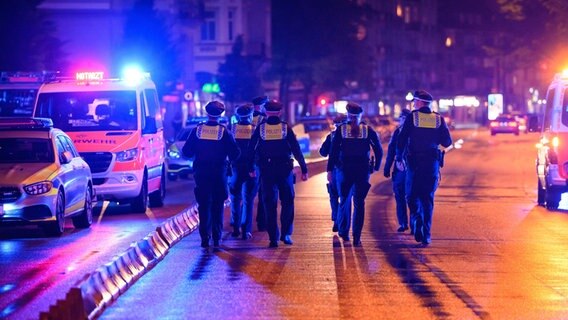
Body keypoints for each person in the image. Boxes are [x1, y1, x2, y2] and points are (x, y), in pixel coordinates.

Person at [248, 100, 308, 248]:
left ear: (266, 112)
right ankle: (286, 234)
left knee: (269, 203)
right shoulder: (285, 128)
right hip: (284, 169)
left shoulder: (261, 129)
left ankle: (273, 238)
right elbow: (296, 149)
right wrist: (304, 168)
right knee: (287, 201)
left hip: (266, 170)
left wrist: (250, 167)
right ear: (280, 112)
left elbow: (251, 149)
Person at [395, 90, 452, 246]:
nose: (414, 104)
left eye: (415, 101)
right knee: (427, 199)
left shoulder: (412, 118)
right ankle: (426, 235)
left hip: (414, 164)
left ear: (419, 103)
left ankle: (417, 218)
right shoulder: (439, 119)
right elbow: (447, 142)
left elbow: (401, 139)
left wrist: (399, 157)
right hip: (431, 164)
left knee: (411, 196)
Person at [182, 101, 240, 248]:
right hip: (219, 173)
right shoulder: (224, 131)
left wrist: (198, 154)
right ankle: (216, 237)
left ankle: (204, 238)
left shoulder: (197, 130)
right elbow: (235, 153)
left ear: (207, 113)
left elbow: (186, 152)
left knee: (204, 205)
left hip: (201, 172)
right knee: (218, 205)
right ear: (220, 115)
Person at [327, 102, 383, 246]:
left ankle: (344, 232)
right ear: (359, 116)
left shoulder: (341, 130)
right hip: (362, 171)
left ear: (348, 115)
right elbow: (379, 150)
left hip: (345, 170)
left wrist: (329, 170)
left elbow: (333, 151)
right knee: (359, 203)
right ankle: (357, 237)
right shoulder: (368, 130)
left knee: (344, 200)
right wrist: (376, 166)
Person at [228, 103, 260, 240]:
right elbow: (255, 151)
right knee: (248, 200)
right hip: (250, 169)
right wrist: (253, 167)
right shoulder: (254, 130)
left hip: (235, 168)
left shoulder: (232, 129)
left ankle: (235, 228)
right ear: (250, 115)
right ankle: (246, 230)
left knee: (235, 199)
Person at [383, 109, 412, 233]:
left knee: (411, 197)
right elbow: (391, 151)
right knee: (400, 196)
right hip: (400, 169)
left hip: (410, 168)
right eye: (402, 119)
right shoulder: (397, 132)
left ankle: (413, 224)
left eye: (404, 119)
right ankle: (404, 223)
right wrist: (387, 167)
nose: (402, 122)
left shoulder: (414, 133)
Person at [319, 115, 347, 232]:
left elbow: (323, 152)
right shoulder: (350, 136)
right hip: (347, 170)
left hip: (335, 170)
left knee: (334, 195)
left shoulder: (331, 136)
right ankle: (341, 221)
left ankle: (336, 219)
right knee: (345, 197)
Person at [251, 95, 269, 231]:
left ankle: (241, 223)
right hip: (260, 159)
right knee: (263, 192)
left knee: (246, 194)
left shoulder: (243, 117)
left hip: (243, 159)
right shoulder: (264, 120)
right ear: (261, 106)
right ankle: (262, 222)